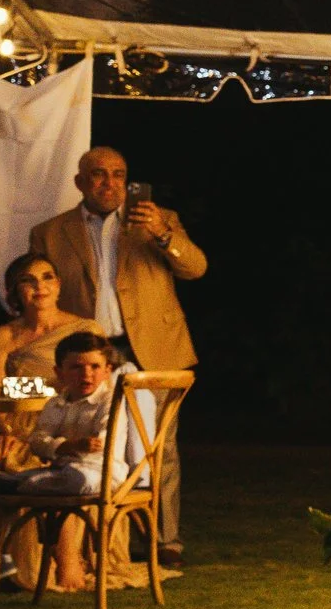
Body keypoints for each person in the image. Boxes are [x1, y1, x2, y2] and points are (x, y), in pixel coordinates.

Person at [29, 146, 203, 566]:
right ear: (80, 182)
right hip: (91, 353)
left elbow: (195, 268)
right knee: (98, 444)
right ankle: (99, 543)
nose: (111, 183)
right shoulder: (50, 233)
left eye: (119, 175)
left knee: (158, 447)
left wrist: (163, 233)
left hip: (152, 348)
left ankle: (164, 541)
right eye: (99, 175)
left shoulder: (157, 220)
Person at [0, 329, 154, 592]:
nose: (86, 374)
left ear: (107, 370)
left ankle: (20, 484)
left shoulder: (109, 402)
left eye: (94, 367)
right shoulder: (56, 403)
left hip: (101, 473)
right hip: (62, 472)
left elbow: (97, 446)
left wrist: (63, 448)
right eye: (77, 368)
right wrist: (65, 445)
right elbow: (39, 441)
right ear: (60, 373)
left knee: (78, 480)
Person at [0, 253, 104, 389]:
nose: (39, 285)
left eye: (47, 277)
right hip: (19, 410)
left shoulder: (86, 331)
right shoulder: (1, 337)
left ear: (58, 285)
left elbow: (102, 394)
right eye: (27, 280)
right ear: (15, 290)